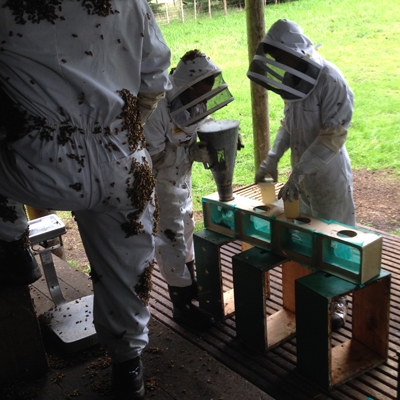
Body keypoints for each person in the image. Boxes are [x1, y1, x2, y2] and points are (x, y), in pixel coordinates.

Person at [0, 1, 170, 398]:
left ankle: (10, 243)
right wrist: (127, 128)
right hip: (123, 163)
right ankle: (129, 368)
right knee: (129, 271)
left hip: (42, 163)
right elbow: (155, 75)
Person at [248, 19, 355, 330]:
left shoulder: (331, 79)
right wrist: (272, 158)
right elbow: (288, 124)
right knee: (309, 236)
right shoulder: (293, 79)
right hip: (301, 176)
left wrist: (299, 173)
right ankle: (313, 294)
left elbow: (333, 135)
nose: (278, 63)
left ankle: (339, 299)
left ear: (295, 52)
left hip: (328, 175)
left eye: (280, 56)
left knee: (335, 237)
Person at [144, 49, 234, 330]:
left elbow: (201, 123)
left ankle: (190, 284)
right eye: (199, 93)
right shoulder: (157, 108)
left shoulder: (196, 100)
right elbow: (154, 156)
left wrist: (219, 139)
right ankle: (180, 305)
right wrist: (191, 154)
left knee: (186, 228)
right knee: (169, 237)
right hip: (158, 181)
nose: (203, 99)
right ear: (186, 86)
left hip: (182, 178)